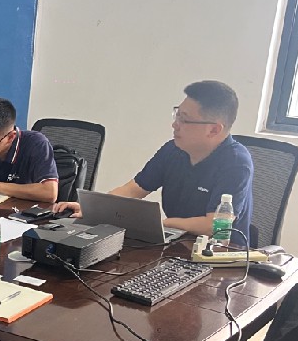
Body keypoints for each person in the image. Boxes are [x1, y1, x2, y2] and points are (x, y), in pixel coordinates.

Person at [56, 80, 253, 241]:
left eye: (184, 119)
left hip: (220, 257)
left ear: (214, 129)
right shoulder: (173, 150)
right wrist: (94, 209)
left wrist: (162, 224)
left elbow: (213, 225)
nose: (175, 124)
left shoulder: (236, 162)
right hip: (175, 243)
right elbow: (134, 189)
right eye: (177, 115)